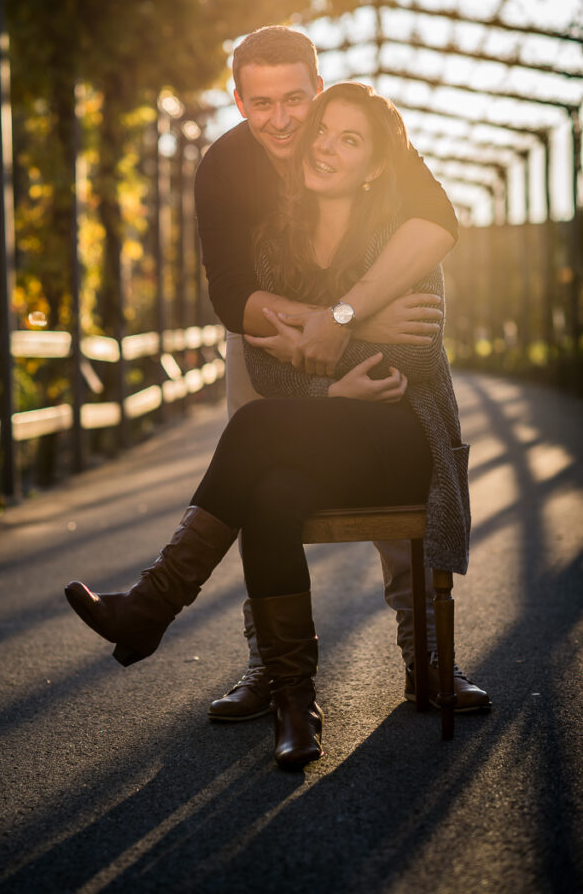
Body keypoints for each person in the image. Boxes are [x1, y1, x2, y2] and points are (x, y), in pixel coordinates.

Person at [65, 82, 478, 771]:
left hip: (402, 440)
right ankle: (294, 702)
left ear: (376, 164)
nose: (326, 146)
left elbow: (407, 356)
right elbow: (270, 360)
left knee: (255, 430)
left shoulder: (400, 236)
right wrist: (330, 380)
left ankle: (152, 603)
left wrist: (326, 335)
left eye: (351, 141)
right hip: (325, 434)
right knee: (270, 493)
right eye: (325, 132)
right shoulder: (276, 240)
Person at [194, 26, 490, 719]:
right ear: (238, 102)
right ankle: (269, 664)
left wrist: (349, 319)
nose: (282, 120)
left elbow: (439, 221)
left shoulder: (361, 136)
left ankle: (429, 656)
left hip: (372, 337)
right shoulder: (224, 167)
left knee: (395, 476)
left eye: (295, 98)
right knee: (258, 473)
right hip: (268, 342)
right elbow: (233, 296)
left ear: (318, 90)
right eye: (260, 103)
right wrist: (331, 324)